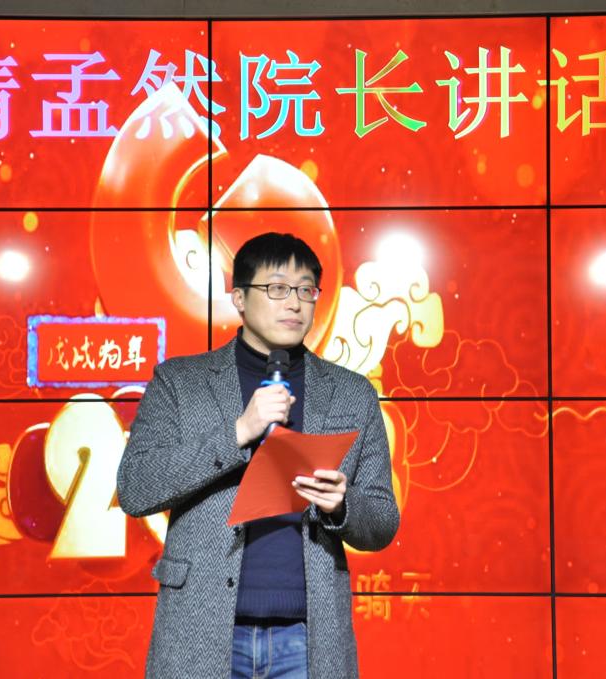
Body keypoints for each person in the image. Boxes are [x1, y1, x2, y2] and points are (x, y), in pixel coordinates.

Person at [117, 232, 400, 678]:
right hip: (201, 630)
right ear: (239, 298)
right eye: (277, 288)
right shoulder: (180, 383)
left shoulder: (351, 394)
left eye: (306, 290)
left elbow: (382, 521)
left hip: (306, 638)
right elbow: (136, 488)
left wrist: (342, 505)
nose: (295, 303)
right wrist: (238, 433)